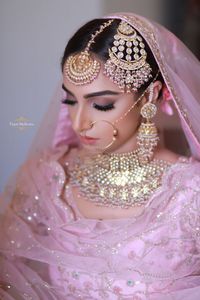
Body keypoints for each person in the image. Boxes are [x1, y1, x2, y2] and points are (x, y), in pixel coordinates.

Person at [0, 12, 200, 300]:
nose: (80, 121)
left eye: (102, 104)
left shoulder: (190, 193)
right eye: (70, 100)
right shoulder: (48, 179)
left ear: (149, 96)